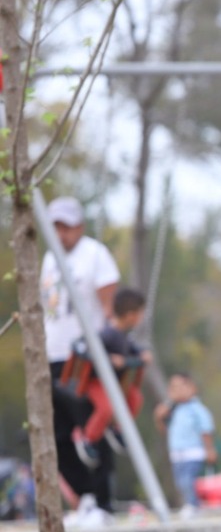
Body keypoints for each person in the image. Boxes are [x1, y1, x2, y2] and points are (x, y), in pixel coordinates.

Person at [40, 196, 121, 507]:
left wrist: (112, 348)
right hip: (53, 355)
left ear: (79, 227)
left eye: (67, 227)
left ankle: (103, 501)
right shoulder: (49, 258)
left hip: (85, 359)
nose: (61, 234)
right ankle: (85, 496)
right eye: (56, 227)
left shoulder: (95, 255)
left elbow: (109, 308)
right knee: (57, 434)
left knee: (92, 427)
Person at [73, 288, 151, 465]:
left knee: (135, 399)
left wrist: (143, 353)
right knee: (107, 408)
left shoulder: (124, 336)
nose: (142, 318)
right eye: (141, 314)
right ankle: (87, 439)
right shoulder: (108, 333)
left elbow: (133, 348)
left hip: (115, 384)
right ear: (131, 315)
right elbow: (89, 348)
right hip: (96, 381)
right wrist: (108, 359)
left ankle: (117, 428)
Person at [154, 372, 217, 519]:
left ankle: (194, 505)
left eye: (180, 386)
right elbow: (166, 431)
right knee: (180, 482)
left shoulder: (197, 409)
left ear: (191, 388)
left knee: (188, 480)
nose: (177, 390)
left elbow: (206, 430)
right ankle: (189, 504)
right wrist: (159, 418)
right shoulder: (174, 410)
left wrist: (209, 449)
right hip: (177, 453)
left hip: (193, 452)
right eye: (173, 387)